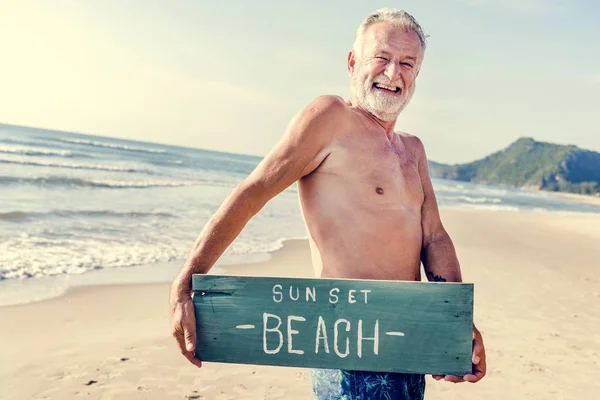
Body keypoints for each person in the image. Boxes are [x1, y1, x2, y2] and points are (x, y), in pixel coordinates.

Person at [170, 7, 486, 399]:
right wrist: (186, 282)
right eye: (382, 58)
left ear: (417, 75)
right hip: (347, 342)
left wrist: (453, 322)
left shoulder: (413, 150)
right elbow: (253, 193)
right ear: (353, 62)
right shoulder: (331, 117)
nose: (393, 73)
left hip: (406, 339)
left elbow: (434, 238)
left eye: (407, 63)